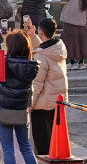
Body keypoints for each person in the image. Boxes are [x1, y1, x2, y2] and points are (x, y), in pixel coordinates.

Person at [0, 31, 46, 164]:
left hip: (4, 107)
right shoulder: (32, 66)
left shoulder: (4, 63)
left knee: (8, 148)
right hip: (22, 109)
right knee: (25, 146)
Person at [26, 18, 68, 155]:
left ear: (41, 32)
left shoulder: (42, 55)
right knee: (54, 141)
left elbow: (37, 82)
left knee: (43, 144)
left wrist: (30, 103)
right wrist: (33, 36)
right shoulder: (58, 48)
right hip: (57, 100)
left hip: (43, 103)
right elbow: (44, 49)